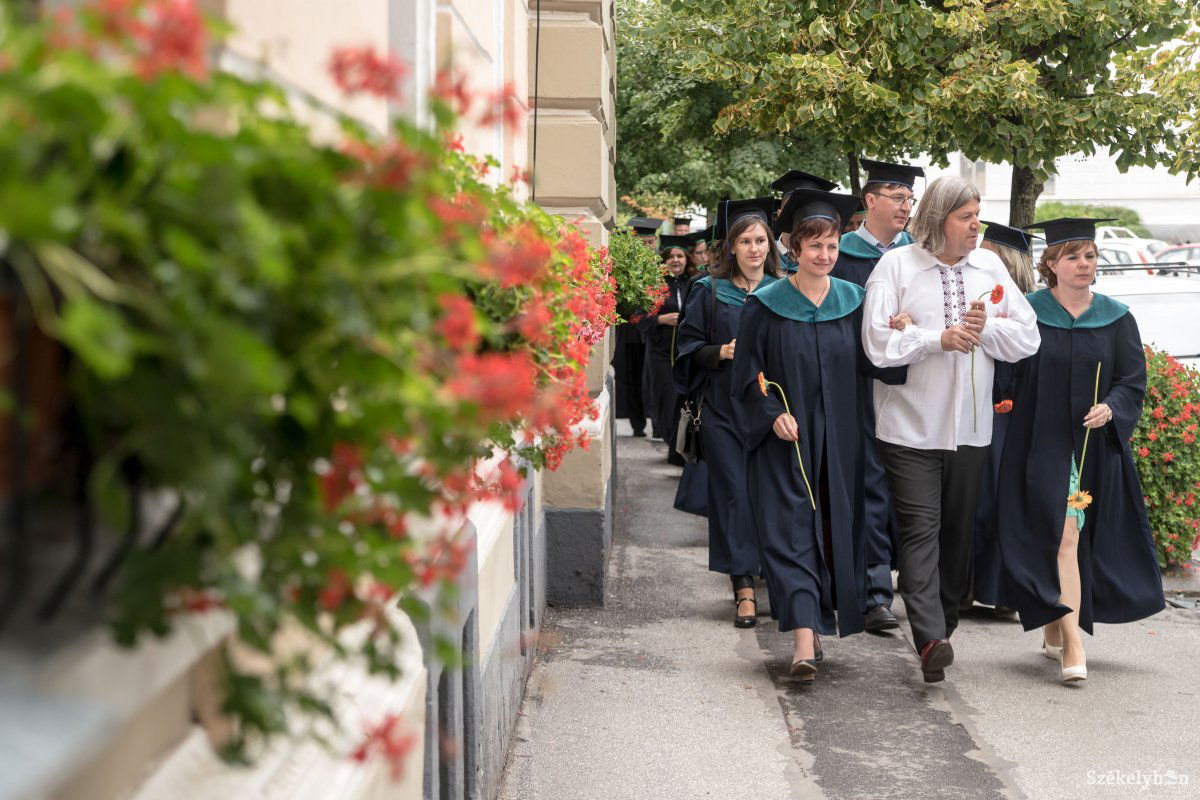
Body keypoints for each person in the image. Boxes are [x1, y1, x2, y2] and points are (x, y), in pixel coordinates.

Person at [861, 176, 1040, 682]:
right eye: (967, 217)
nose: (976, 225)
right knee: (921, 531)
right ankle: (930, 638)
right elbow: (876, 343)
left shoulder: (988, 265)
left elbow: (1027, 336)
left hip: (970, 428)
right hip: (909, 426)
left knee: (957, 537)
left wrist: (986, 328)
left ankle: (944, 624)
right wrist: (937, 338)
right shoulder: (896, 265)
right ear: (940, 220)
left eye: (978, 215)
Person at [733, 188, 906, 683]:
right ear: (793, 249)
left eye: (832, 246)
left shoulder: (855, 302)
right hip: (788, 442)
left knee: (834, 530)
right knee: (791, 533)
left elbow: (878, 365)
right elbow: (746, 376)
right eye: (815, 247)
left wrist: (902, 334)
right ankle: (803, 644)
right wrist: (771, 415)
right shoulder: (765, 305)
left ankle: (821, 621)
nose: (825, 256)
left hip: (844, 442)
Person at [996, 217, 1165, 684]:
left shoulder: (1115, 317)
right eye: (1072, 256)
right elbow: (1004, 372)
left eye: (1089, 255)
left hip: (1092, 448)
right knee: (1062, 535)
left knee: (1067, 536)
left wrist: (1112, 408)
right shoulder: (1026, 312)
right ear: (1050, 263)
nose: (1084, 264)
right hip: (1040, 444)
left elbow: (1131, 382)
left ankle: (1057, 625)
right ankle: (1072, 643)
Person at [674, 197, 780, 628]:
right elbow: (687, 351)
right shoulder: (709, 291)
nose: (754, 248)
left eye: (761, 240)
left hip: (772, 413)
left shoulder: (785, 289)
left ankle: (779, 578)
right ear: (731, 247)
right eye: (746, 241)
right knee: (735, 496)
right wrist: (721, 351)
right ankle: (744, 589)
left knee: (771, 498)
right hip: (722, 411)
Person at [833, 159, 926, 633]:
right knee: (869, 484)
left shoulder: (919, 255)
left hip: (912, 386)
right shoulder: (842, 253)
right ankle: (873, 594)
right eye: (897, 198)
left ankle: (918, 587)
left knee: (909, 488)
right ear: (869, 201)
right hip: (858, 383)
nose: (905, 207)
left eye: (910, 199)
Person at [966, 222, 1040, 615]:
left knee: (992, 500)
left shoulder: (1022, 307)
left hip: (1005, 416)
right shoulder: (984, 297)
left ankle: (990, 589)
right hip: (993, 412)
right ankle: (993, 591)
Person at [639, 235, 696, 462]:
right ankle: (669, 440)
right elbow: (639, 316)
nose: (675, 260)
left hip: (684, 351)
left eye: (680, 256)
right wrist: (661, 320)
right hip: (661, 352)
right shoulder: (656, 284)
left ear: (686, 259)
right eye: (671, 256)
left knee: (683, 399)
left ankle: (678, 449)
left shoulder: (693, 282)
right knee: (667, 397)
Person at [612, 217, 662, 437]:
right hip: (632, 332)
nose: (647, 248)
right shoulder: (625, 263)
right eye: (643, 243)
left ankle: (657, 423)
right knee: (632, 376)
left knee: (653, 378)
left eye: (650, 243)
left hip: (656, 332)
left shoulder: (661, 265)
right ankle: (637, 423)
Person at [770, 170, 839, 275]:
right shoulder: (763, 257)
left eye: (811, 210)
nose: (802, 216)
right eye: (793, 211)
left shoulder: (832, 259)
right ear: (780, 215)